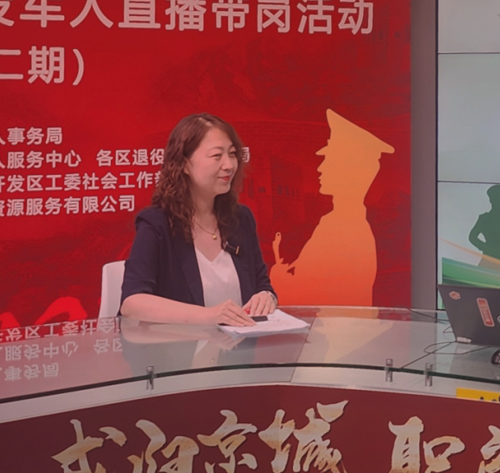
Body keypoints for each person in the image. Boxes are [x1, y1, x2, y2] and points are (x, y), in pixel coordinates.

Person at [120, 113, 277, 326]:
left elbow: (262, 285)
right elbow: (132, 303)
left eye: (232, 154)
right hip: (179, 346)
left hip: (241, 344)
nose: (229, 165)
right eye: (216, 156)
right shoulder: (157, 224)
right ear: (184, 164)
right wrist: (210, 316)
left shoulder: (241, 219)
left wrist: (267, 297)